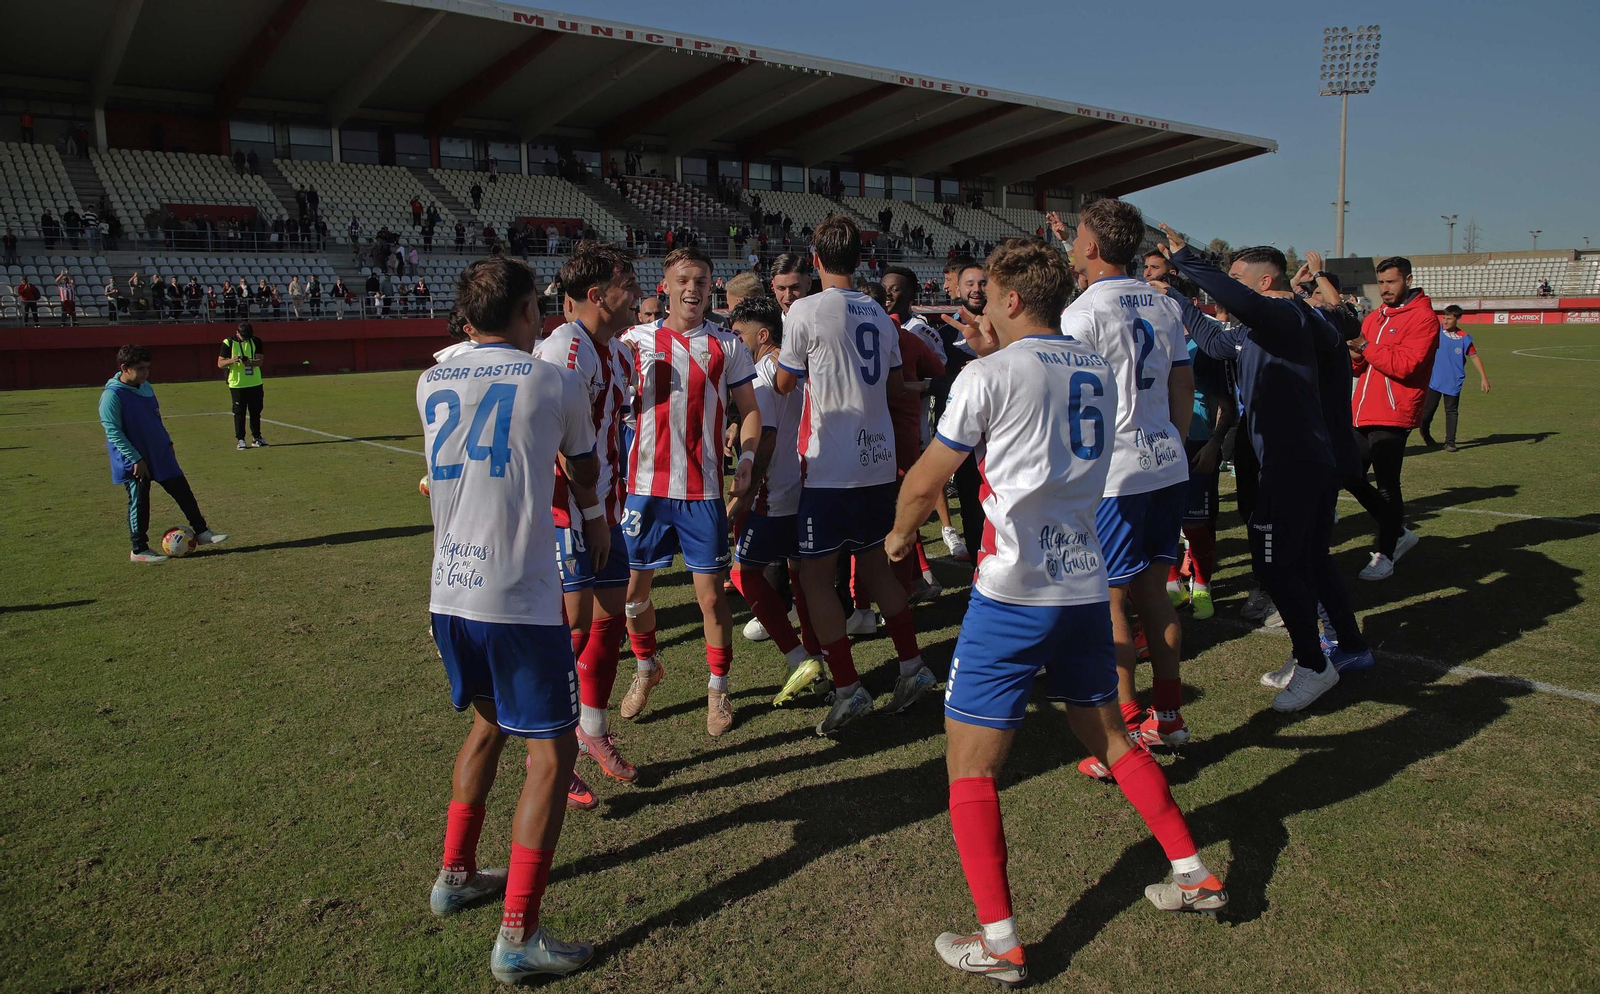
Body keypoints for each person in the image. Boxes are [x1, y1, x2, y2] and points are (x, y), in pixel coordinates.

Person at [886, 238, 1226, 986]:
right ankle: (1194, 870)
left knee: (969, 766)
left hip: (1012, 590)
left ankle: (1001, 941)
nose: (980, 309)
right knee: (1109, 736)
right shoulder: (1094, 369)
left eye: (987, 298)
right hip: (1081, 581)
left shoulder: (987, 375)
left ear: (1009, 299)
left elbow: (924, 480)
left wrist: (900, 535)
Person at [418, 257, 599, 982]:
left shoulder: (430, 379)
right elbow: (583, 469)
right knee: (552, 755)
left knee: (488, 724)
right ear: (527, 310)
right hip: (517, 599)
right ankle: (519, 934)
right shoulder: (552, 378)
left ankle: (456, 873)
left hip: (447, 593)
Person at [1161, 228, 1373, 712]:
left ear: (1263, 282)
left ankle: (1313, 664)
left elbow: (1247, 306)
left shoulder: (1283, 314)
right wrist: (1175, 295)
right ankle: (1349, 648)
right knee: (1313, 561)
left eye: (1237, 279)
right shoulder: (1269, 324)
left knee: (1278, 567)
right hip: (1299, 460)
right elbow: (1216, 345)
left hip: (1294, 463)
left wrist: (1187, 260)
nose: (1228, 289)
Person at [772, 214, 932, 733]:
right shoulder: (881, 316)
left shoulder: (804, 310)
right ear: (860, 260)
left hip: (829, 465)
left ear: (815, 260)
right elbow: (890, 387)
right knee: (877, 568)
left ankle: (848, 686)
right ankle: (912, 666)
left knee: (815, 577)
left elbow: (782, 384)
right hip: (877, 460)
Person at [1053, 198, 1195, 756]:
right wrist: (1172, 441)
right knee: (1153, 594)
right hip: (1164, 463)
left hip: (1114, 475)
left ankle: (1130, 723)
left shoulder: (1082, 313)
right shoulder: (1162, 304)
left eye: (1076, 235)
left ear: (1090, 245)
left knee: (1108, 601)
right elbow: (1182, 385)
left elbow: (1071, 405)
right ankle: (1171, 713)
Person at [616, 246, 763, 737]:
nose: (692, 288)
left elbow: (751, 411)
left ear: (711, 285)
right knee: (633, 596)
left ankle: (718, 690)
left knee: (710, 600)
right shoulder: (633, 342)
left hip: (702, 492)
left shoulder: (727, 344)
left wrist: (745, 459)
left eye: (701, 279)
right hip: (644, 490)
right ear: (666, 285)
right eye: (683, 279)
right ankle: (645, 668)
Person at [533, 242, 641, 802]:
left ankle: (591, 729)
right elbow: (558, 447)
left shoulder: (616, 352)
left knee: (608, 621)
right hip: (568, 510)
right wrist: (590, 515)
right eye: (629, 283)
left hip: (605, 507)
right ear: (597, 296)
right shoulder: (563, 352)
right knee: (568, 628)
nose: (639, 293)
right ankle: (551, 751)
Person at [725, 295, 826, 702]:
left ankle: (798, 655)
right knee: (803, 579)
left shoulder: (764, 373)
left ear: (762, 335)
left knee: (742, 575)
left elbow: (765, 439)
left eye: (739, 334)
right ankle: (818, 658)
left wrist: (742, 501)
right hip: (807, 487)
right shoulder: (793, 367)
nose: (733, 342)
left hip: (774, 495)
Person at [1346, 257, 1438, 580]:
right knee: (1347, 472)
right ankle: (1398, 532)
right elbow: (1362, 364)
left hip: (1395, 412)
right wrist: (1356, 356)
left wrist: (1366, 347)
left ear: (1408, 280)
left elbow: (1406, 365)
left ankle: (1386, 553)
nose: (1385, 289)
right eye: (1381, 282)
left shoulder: (1424, 318)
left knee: (1387, 485)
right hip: (1362, 411)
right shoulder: (1374, 318)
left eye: (1392, 282)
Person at [99, 345, 228, 562]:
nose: (145, 373)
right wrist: (136, 459)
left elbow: (155, 418)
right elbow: (113, 432)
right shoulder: (112, 395)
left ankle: (202, 532)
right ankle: (139, 549)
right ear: (124, 368)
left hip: (159, 452)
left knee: (182, 491)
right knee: (139, 502)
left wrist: (166, 440)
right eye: (140, 369)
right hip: (135, 459)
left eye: (147, 368)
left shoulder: (146, 387)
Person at [1420, 304, 1489, 451]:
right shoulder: (1436, 330)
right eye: (1444, 318)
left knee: (1451, 411)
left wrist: (1483, 378)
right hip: (1434, 379)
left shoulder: (1464, 338)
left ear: (1457, 319)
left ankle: (1450, 442)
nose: (1445, 321)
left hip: (1453, 380)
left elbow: (1474, 357)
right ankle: (1425, 433)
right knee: (1427, 412)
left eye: (1449, 319)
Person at [219, 322, 268, 450]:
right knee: (239, 413)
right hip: (237, 384)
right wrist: (232, 360)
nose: (246, 339)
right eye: (243, 337)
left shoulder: (256, 341)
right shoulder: (228, 342)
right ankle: (240, 439)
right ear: (237, 333)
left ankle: (257, 437)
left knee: (255, 411)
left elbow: (260, 361)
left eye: (248, 337)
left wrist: (249, 361)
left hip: (255, 382)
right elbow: (220, 363)